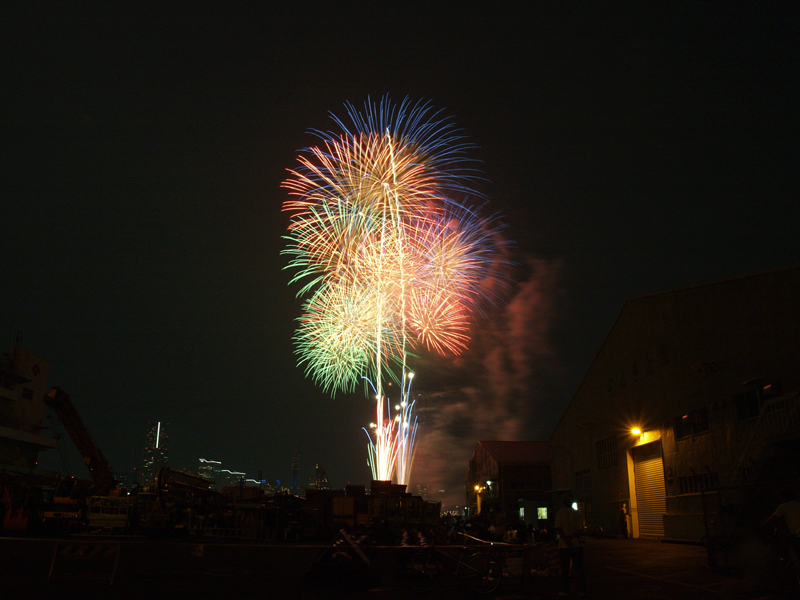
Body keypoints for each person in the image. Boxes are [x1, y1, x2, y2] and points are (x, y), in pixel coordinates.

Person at [554, 493, 587, 597]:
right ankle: (582, 589)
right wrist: (572, 537)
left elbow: (557, 527)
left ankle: (565, 590)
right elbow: (580, 529)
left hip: (564, 544)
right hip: (576, 543)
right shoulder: (577, 513)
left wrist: (565, 538)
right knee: (579, 568)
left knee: (565, 568)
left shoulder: (559, 513)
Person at [762, 488, 800, 575]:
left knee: (796, 555)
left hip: (797, 536)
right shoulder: (798, 505)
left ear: (783, 498)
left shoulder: (783, 507)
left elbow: (772, 519)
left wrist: (764, 523)